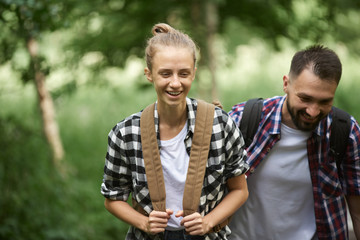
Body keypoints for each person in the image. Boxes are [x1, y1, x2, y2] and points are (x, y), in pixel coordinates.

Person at [100, 23, 249, 240]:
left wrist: (208, 221)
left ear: (194, 73)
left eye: (184, 74)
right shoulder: (125, 134)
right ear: (149, 74)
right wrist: (144, 223)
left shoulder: (221, 125)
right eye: (166, 74)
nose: (175, 83)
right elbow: (112, 198)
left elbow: (240, 190)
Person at [228, 45, 360, 240]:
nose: (313, 111)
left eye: (324, 101)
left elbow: (357, 213)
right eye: (305, 98)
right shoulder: (245, 119)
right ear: (286, 84)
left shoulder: (344, 133)